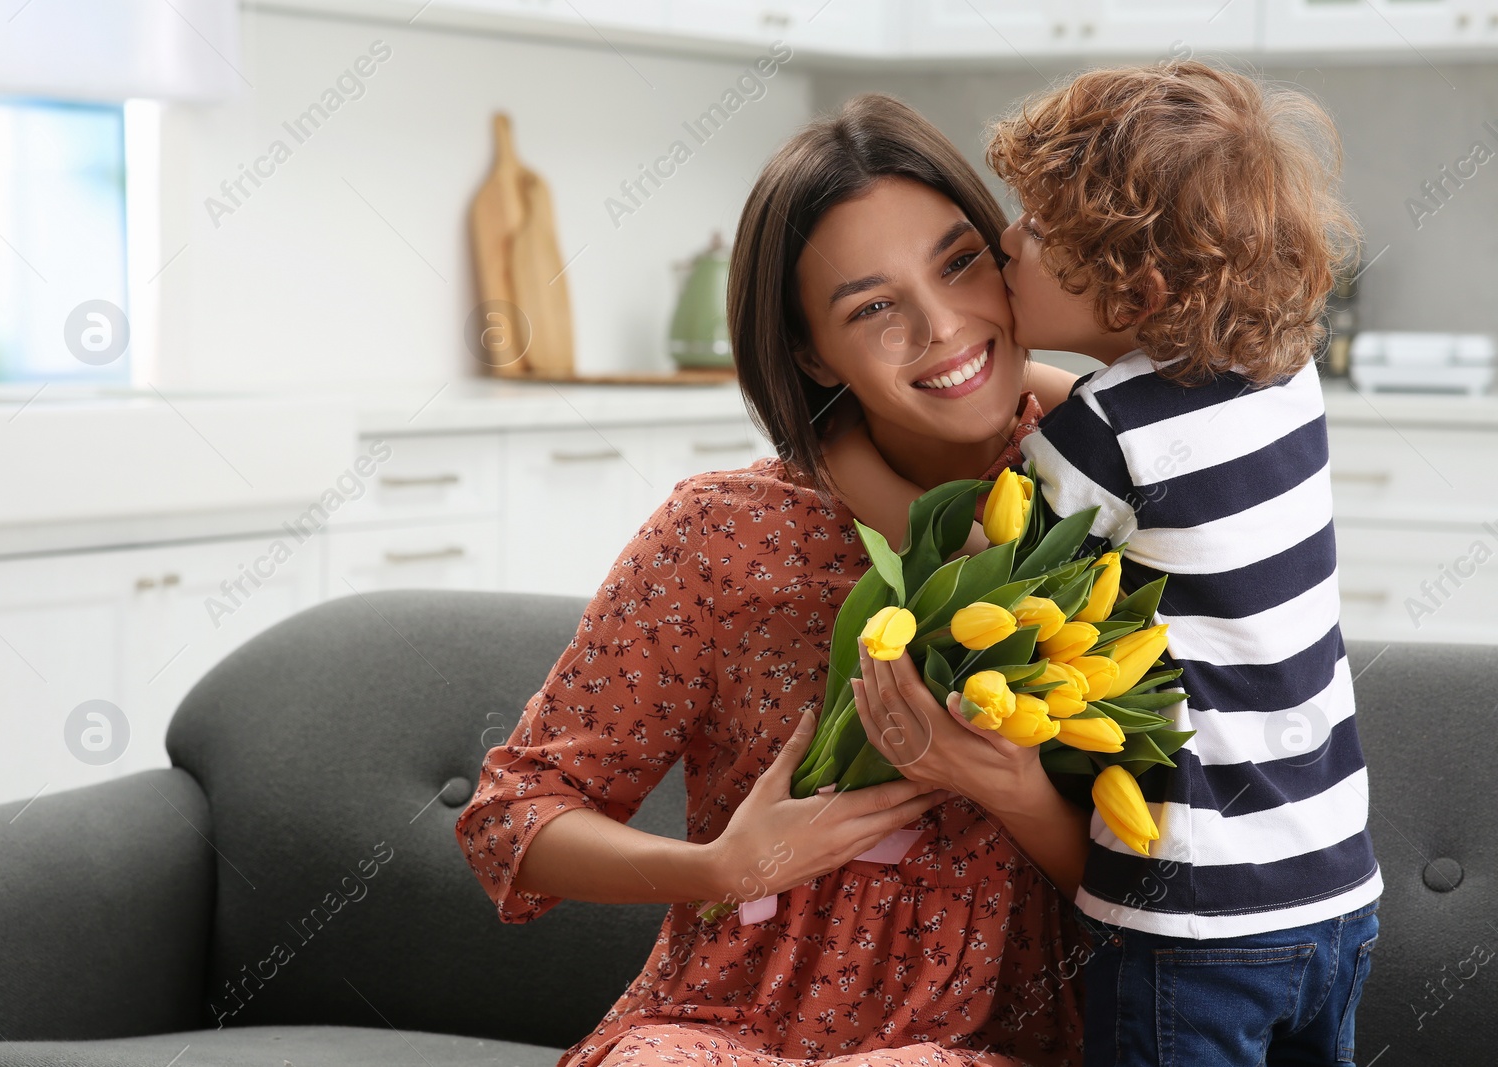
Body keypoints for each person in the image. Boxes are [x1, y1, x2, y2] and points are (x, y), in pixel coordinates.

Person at [456, 93, 1090, 1067]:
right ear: (806, 347)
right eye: (870, 306)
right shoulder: (722, 536)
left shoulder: (1104, 492)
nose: (941, 324)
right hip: (722, 1020)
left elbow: (1176, 872)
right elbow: (512, 816)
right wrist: (724, 862)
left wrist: (1007, 785)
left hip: (977, 1037)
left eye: (960, 261)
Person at [988, 61, 1380, 1066]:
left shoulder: (1095, 443)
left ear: (1140, 286)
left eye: (1032, 229)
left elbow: (989, 589)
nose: (1003, 242)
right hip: (1332, 886)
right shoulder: (1285, 377)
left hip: (1193, 913)